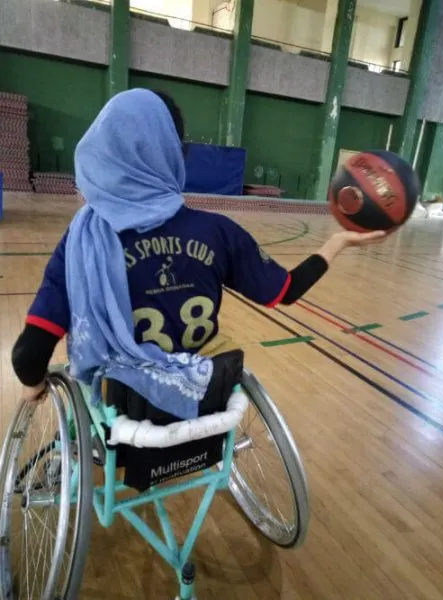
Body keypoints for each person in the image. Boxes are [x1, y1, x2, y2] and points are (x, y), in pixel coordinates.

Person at [12, 89, 385, 413]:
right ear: (177, 155)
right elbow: (285, 291)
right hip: (203, 396)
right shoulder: (217, 232)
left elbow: (30, 353)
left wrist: (33, 385)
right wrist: (336, 242)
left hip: (124, 411)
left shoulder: (83, 243)